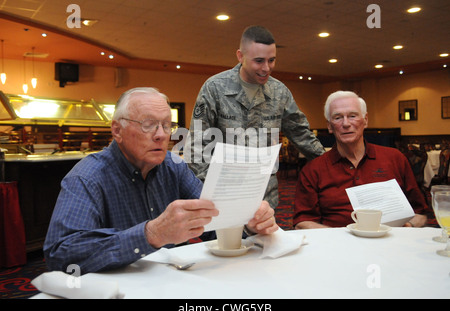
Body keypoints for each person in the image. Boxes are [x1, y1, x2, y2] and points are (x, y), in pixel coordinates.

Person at [44, 87, 278, 275]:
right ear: (117, 130)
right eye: (148, 124)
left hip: (172, 282)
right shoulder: (87, 177)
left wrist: (247, 223)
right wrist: (151, 234)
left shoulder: (172, 166)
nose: (161, 135)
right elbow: (61, 255)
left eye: (167, 125)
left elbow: (211, 222)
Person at [185, 25, 324, 209]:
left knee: (262, 239)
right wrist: (210, 189)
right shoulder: (215, 88)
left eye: (272, 60)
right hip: (223, 197)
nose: (266, 68)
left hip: (264, 199)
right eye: (259, 61)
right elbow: (196, 145)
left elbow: (301, 134)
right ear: (240, 56)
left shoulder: (279, 92)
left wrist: (332, 165)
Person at [293, 90, 428, 229]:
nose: (346, 123)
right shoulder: (313, 170)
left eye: (352, 116)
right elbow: (302, 222)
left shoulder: (395, 158)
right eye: (338, 117)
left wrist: (408, 226)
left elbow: (420, 213)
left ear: (366, 120)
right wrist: (344, 239)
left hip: (391, 242)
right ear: (329, 126)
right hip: (338, 247)